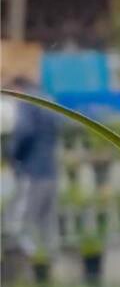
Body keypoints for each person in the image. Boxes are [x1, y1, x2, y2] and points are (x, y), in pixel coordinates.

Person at [6, 76, 60, 257]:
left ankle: (30, 261)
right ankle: (49, 260)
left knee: (25, 219)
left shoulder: (26, 103)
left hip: (31, 169)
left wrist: (13, 154)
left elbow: (24, 131)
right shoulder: (47, 101)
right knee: (47, 219)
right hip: (50, 169)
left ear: (17, 88)